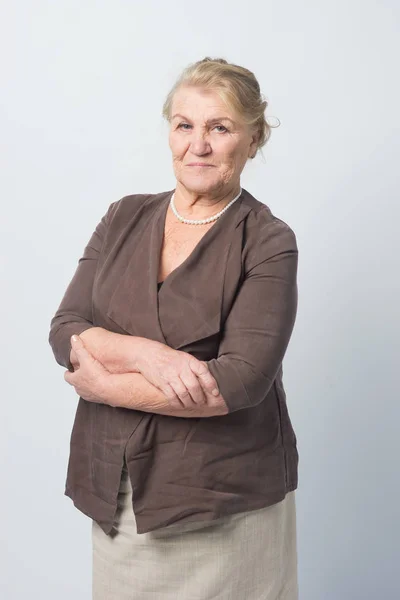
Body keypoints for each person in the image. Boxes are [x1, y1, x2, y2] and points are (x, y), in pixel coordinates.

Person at [49, 57, 299, 600]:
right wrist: (148, 355)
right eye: (185, 125)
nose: (198, 146)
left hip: (223, 503)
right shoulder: (123, 217)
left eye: (220, 128)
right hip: (118, 491)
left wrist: (106, 385)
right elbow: (66, 328)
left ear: (252, 140)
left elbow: (241, 379)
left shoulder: (268, 240)